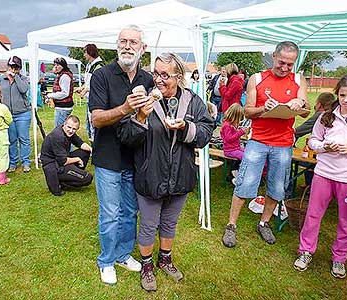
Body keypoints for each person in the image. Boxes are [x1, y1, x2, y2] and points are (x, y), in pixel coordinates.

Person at [118, 52, 214, 292]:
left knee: (170, 223)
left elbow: (205, 132)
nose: (158, 80)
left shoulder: (192, 101)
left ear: (178, 76)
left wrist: (185, 127)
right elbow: (126, 138)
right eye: (155, 73)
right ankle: (147, 265)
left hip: (181, 175)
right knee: (149, 225)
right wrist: (140, 117)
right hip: (151, 174)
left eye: (164, 75)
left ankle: (165, 260)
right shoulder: (142, 98)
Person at [221, 41, 310, 248]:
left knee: (277, 187)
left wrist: (300, 104)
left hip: (284, 143)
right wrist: (263, 108)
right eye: (282, 62)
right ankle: (231, 225)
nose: (285, 68)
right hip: (258, 141)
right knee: (245, 183)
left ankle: (264, 222)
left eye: (290, 64)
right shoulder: (257, 78)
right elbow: (247, 111)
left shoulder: (298, 79)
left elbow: (306, 110)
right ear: (273, 56)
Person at [89, 25, 154, 285]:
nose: (128, 46)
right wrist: (125, 108)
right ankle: (106, 260)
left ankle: (123, 254)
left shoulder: (147, 79)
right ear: (116, 45)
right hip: (107, 158)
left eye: (133, 42)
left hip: (134, 158)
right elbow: (96, 118)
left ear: (142, 49)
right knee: (110, 213)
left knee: (130, 212)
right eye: (123, 41)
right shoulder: (102, 76)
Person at [293, 74, 347, 279]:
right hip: (323, 174)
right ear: (337, 95)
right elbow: (313, 141)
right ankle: (306, 251)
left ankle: (339, 258)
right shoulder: (326, 116)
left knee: (346, 221)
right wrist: (323, 146)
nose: (346, 99)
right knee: (313, 215)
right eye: (342, 95)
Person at [40, 115, 93, 196]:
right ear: (64, 124)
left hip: (62, 159)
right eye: (69, 127)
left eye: (74, 129)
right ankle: (61, 182)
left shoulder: (68, 132)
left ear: (77, 129)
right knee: (87, 178)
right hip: (54, 165)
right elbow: (63, 161)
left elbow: (80, 143)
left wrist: (92, 150)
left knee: (85, 152)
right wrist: (77, 159)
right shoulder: (58, 136)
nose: (71, 130)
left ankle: (71, 175)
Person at [293, 92, 335, 187]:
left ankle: (310, 186)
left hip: (322, 153)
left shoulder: (321, 115)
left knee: (306, 155)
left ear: (319, 104)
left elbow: (299, 131)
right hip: (332, 152)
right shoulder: (335, 113)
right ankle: (309, 184)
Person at [0, 55, 31, 173]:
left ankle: (26, 162)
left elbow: (23, 89)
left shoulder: (23, 79)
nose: (13, 69)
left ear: (20, 68)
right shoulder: (1, 79)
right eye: (11, 66)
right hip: (7, 115)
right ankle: (13, 162)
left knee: (24, 139)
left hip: (23, 113)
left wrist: (15, 78)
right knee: (11, 140)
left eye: (16, 67)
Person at [75, 44, 104, 142]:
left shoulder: (99, 65)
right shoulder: (89, 65)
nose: (84, 55)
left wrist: (85, 90)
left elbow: (98, 84)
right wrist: (82, 87)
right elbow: (88, 82)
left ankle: (97, 146)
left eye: (85, 52)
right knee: (89, 125)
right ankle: (93, 144)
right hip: (89, 99)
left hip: (95, 99)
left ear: (90, 52)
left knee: (94, 124)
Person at [47, 57, 74, 128]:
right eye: (55, 65)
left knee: (59, 129)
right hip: (62, 107)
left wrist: (50, 95)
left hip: (63, 108)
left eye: (58, 65)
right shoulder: (61, 75)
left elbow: (65, 93)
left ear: (63, 66)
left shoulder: (65, 76)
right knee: (62, 129)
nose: (55, 67)